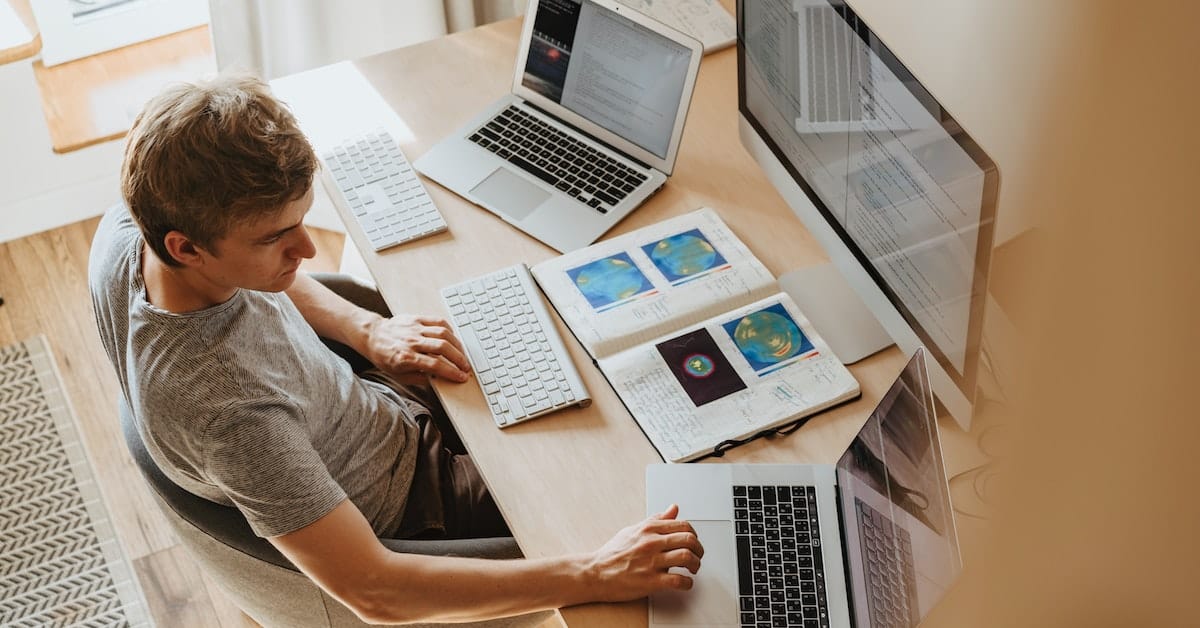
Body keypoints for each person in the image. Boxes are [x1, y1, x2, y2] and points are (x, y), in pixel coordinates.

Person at [89, 73, 702, 625]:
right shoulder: (227, 412)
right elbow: (376, 591)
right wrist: (592, 575)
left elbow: (271, 273)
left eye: (303, 220)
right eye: (276, 238)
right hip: (417, 506)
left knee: (578, 352)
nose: (305, 250)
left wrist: (367, 332)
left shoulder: (133, 229)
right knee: (644, 490)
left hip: (373, 409)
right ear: (186, 247)